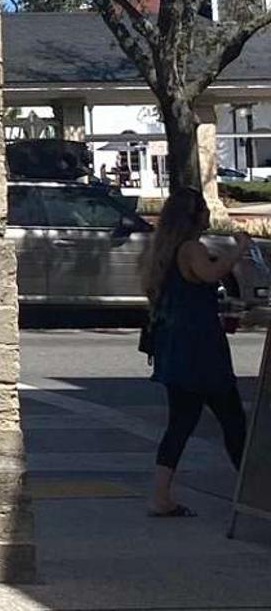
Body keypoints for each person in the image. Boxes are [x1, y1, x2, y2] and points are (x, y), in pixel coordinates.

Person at [141, 189, 252, 518]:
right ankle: (253, 490)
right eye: (203, 211)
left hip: (175, 347)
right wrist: (238, 251)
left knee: (182, 421)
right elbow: (210, 274)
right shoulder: (191, 248)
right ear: (193, 217)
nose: (208, 216)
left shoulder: (163, 250)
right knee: (233, 420)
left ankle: (160, 496)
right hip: (199, 349)